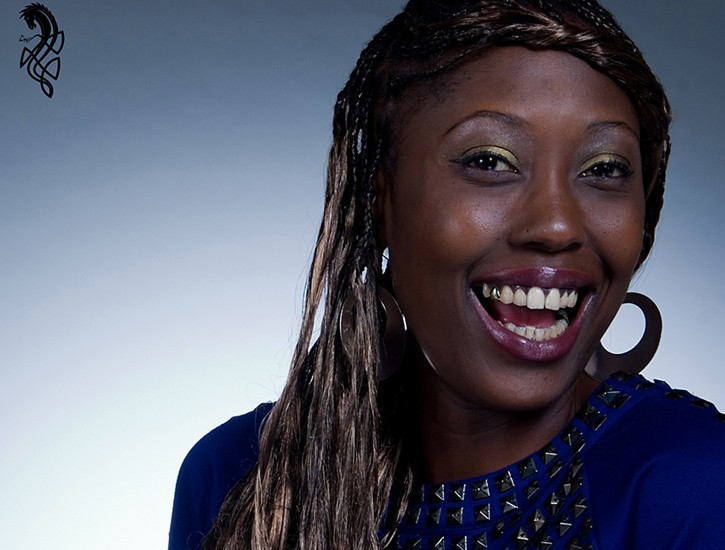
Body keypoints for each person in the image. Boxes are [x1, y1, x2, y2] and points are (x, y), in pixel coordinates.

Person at [169, 1, 725, 548]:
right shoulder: (240, 480)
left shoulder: (693, 485)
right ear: (379, 199)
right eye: (489, 161)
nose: (557, 225)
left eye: (604, 169)